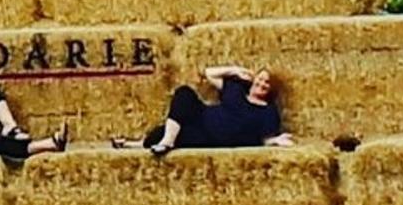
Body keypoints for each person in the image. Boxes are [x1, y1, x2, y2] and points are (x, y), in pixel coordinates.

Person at [111, 65, 293, 155]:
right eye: (260, 79)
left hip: (212, 139)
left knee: (156, 135)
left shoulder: (268, 112)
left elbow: (265, 140)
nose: (261, 84)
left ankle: (132, 144)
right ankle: (168, 141)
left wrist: (277, 141)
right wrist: (234, 70)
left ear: (271, 89)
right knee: (184, 93)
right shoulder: (236, 88)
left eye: (266, 83)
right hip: (201, 118)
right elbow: (208, 73)